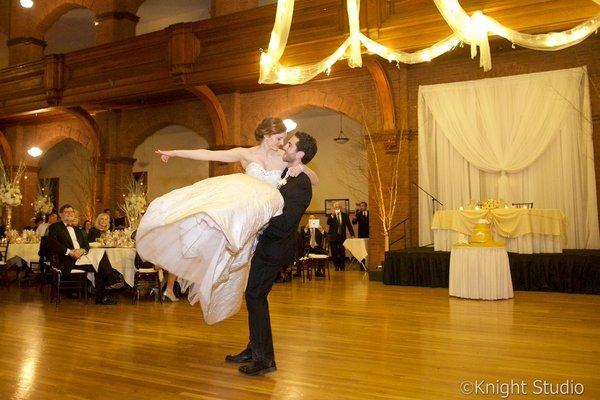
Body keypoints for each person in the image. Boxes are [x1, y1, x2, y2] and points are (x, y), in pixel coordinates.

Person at [136, 117, 318, 324]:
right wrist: (175, 152)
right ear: (267, 137)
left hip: (270, 221)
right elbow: (209, 154)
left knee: (253, 285)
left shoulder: (282, 158)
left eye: (285, 140)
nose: (282, 144)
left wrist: (301, 168)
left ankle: (256, 341)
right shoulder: (246, 154)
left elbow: (315, 179)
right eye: (279, 138)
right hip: (248, 216)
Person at [226, 131, 317, 376]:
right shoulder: (288, 174)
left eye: (290, 145)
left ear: (300, 154)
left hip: (274, 247)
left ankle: (265, 359)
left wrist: (258, 222)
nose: (285, 147)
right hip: (266, 245)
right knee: (254, 295)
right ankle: (254, 348)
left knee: (255, 296)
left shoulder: (301, 183)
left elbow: (285, 222)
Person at [46, 204, 115, 305]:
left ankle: (105, 288)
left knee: (101, 258)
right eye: (67, 212)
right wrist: (70, 252)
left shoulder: (77, 230)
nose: (70, 214)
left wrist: (82, 250)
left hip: (81, 257)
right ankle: (107, 286)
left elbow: (86, 245)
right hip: (67, 259)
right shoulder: (55, 227)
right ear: (61, 215)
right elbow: (52, 243)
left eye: (71, 212)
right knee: (100, 265)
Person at [327, 202, 354, 271]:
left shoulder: (345, 215)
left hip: (342, 236)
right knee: (334, 252)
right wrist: (332, 215)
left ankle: (342, 266)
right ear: (334, 208)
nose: (337, 208)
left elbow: (349, 225)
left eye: (338, 207)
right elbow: (328, 223)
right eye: (336, 207)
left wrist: (352, 235)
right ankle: (336, 265)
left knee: (342, 251)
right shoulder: (331, 215)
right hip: (333, 236)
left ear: (341, 208)